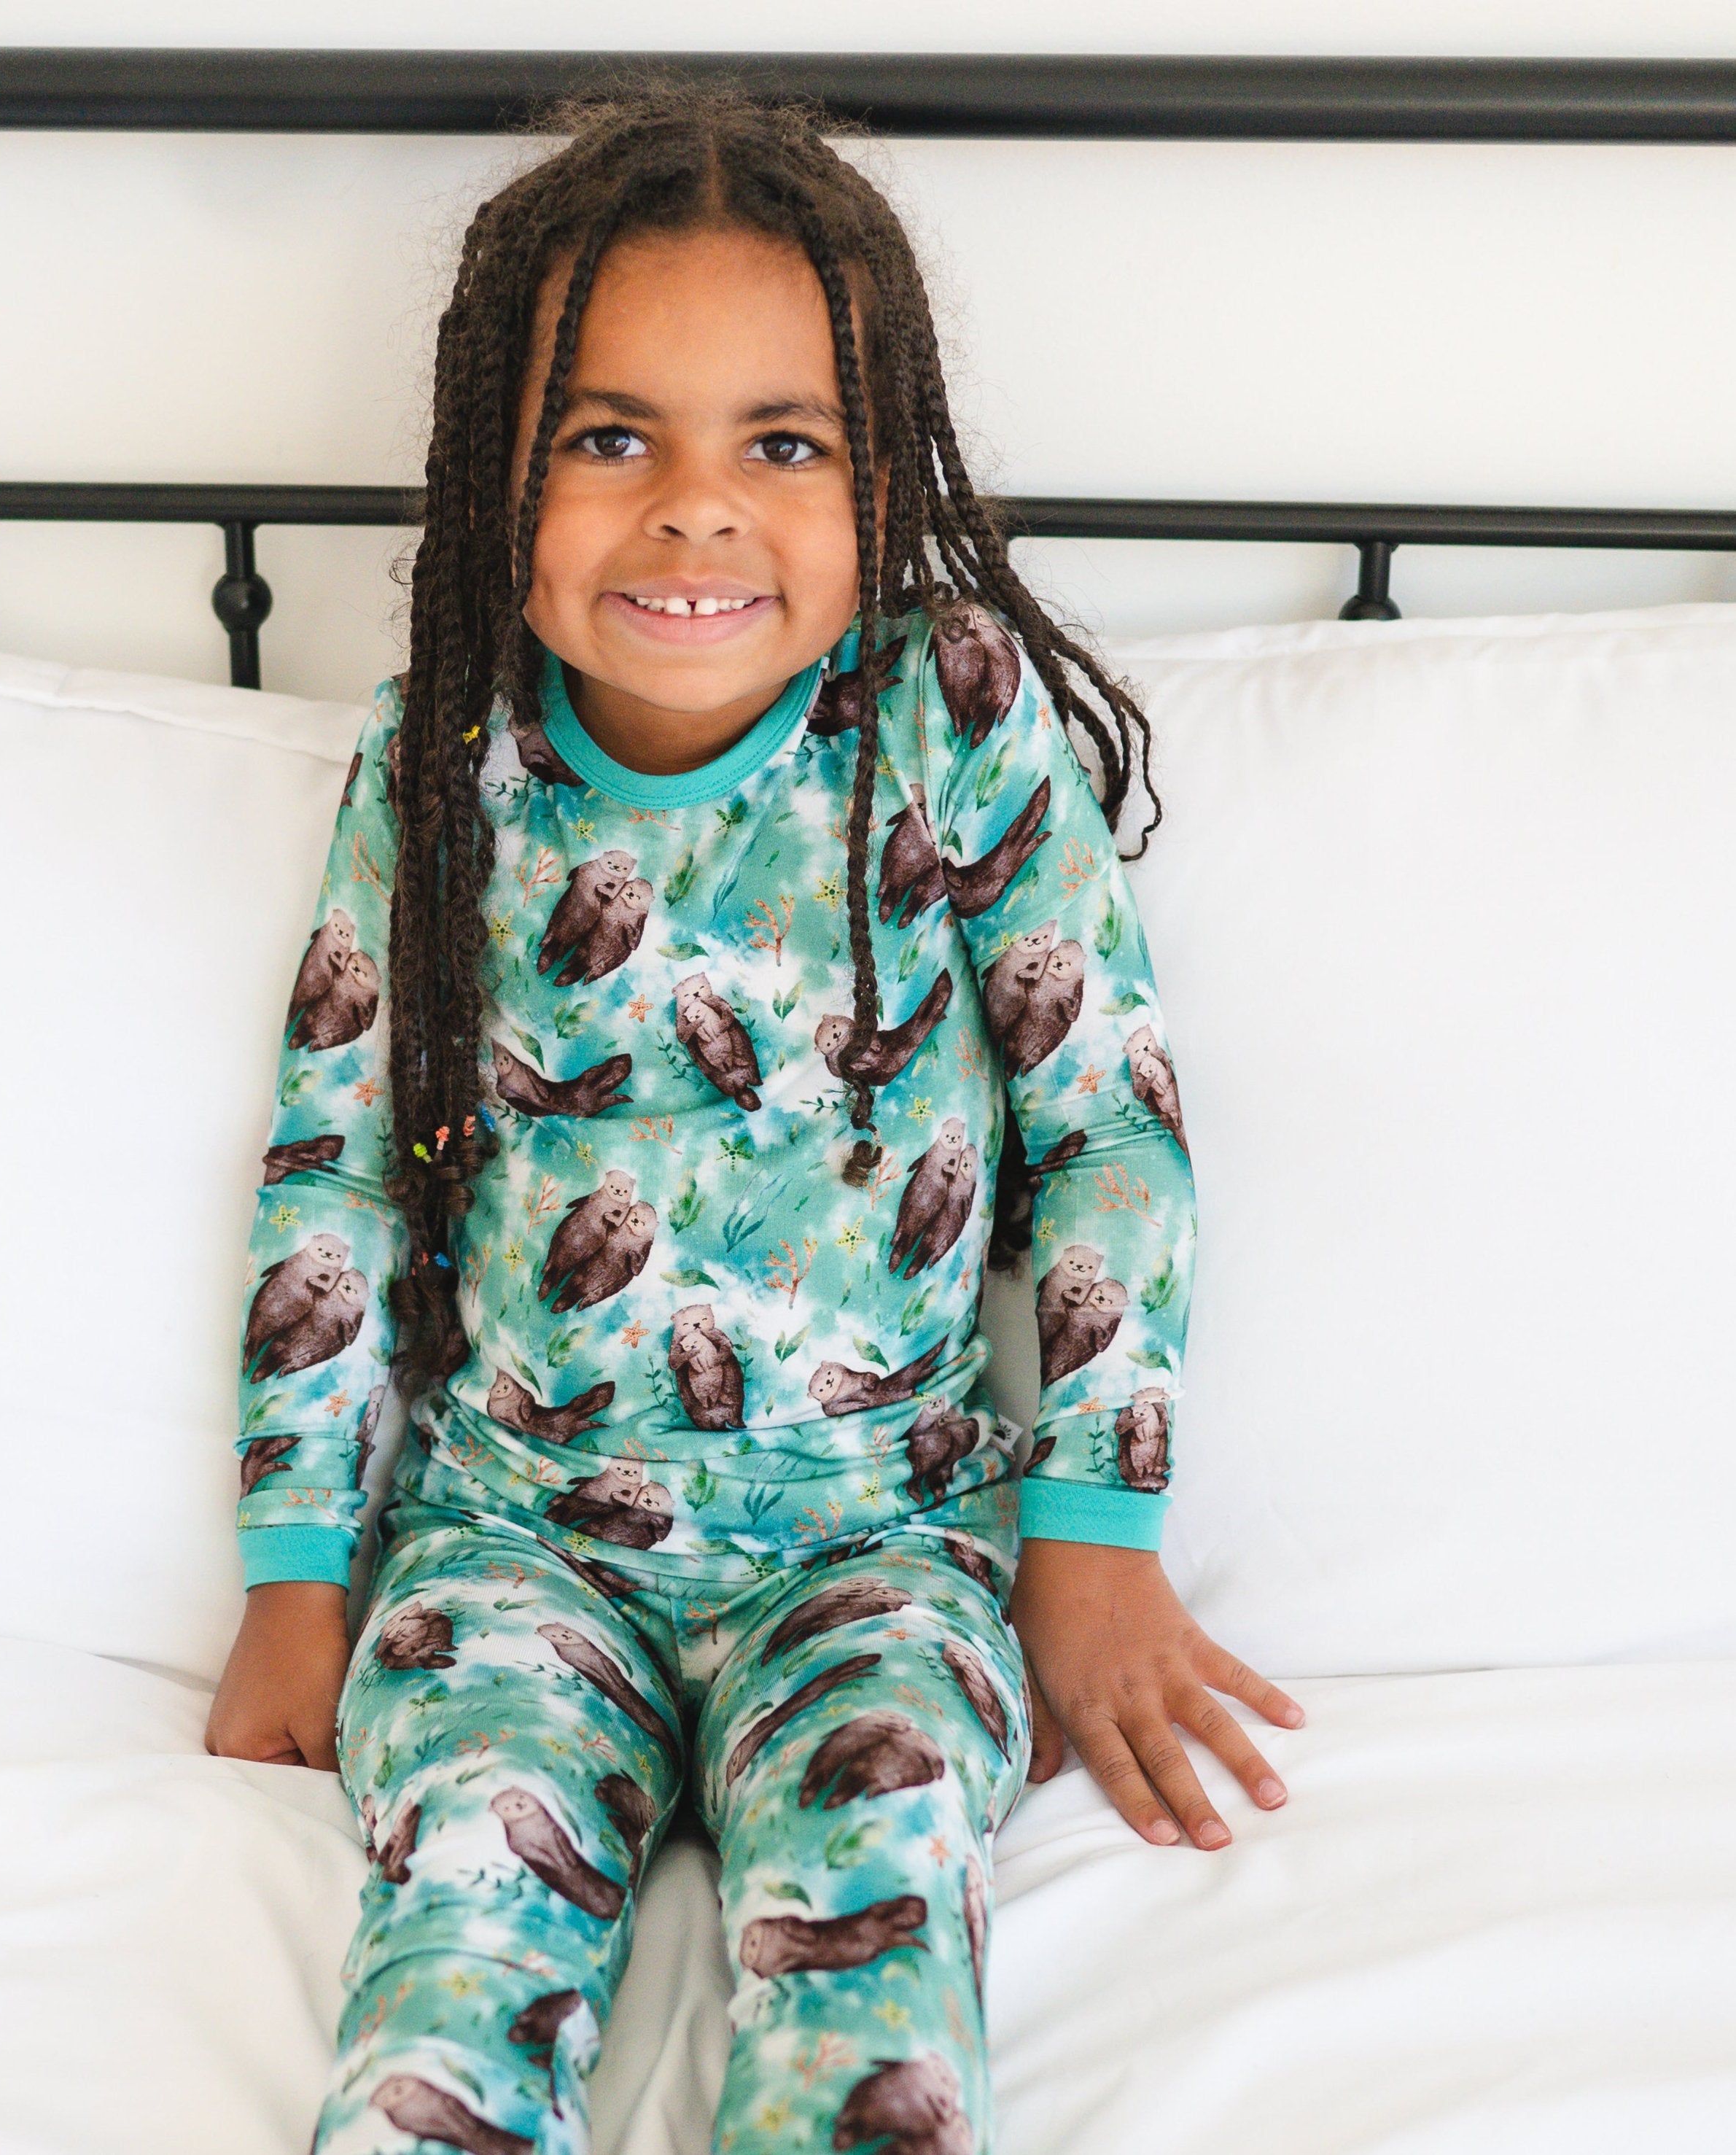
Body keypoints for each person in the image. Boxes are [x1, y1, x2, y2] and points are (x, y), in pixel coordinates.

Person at [208, 87, 1302, 2155]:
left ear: (876, 480)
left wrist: (1091, 1547)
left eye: (779, 445)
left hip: (876, 1544)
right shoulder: (436, 762)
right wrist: (293, 1571)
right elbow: (337, 1156)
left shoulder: (954, 719)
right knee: (443, 1971)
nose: (695, 512)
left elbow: (1107, 1134)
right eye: (608, 438)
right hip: (517, 1540)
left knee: (874, 1962)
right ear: (487, 476)